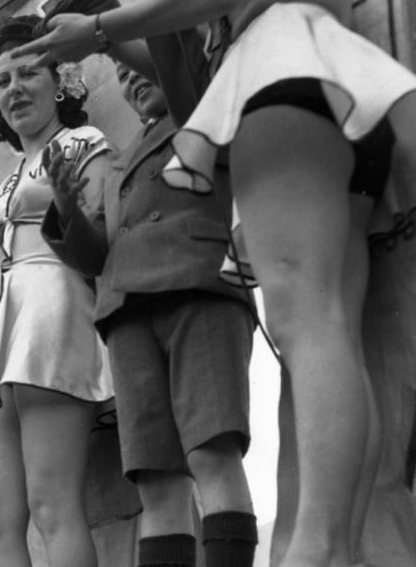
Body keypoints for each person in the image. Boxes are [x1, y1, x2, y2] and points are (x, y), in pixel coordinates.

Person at [12, 0, 416, 566]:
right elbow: (194, 96)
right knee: (323, 330)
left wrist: (103, 30)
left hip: (285, 82)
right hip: (319, 92)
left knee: (309, 327)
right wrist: (150, 22)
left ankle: (316, 548)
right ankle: (330, 544)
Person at [44, 40, 259, 566]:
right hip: (126, 313)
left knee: (212, 453)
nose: (132, 79)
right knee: (157, 481)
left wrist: (120, 30)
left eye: (136, 65)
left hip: (198, 291)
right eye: (120, 73)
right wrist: (67, 211)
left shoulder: (204, 108)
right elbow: (98, 256)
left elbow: (177, 63)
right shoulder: (118, 165)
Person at [0, 14, 114, 567]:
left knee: (53, 505)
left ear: (61, 82)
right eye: (2, 81)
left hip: (52, 305)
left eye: (28, 73)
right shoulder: (7, 179)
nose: (13, 89)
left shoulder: (82, 142)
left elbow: (101, 235)